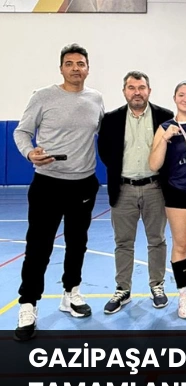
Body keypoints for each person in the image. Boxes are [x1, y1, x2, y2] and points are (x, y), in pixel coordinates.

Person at [13, 43, 104, 341]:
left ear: (87, 68)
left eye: (81, 63)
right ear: (61, 68)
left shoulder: (96, 99)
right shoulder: (42, 96)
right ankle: (28, 304)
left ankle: (71, 293)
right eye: (70, 63)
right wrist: (29, 153)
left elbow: (102, 135)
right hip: (48, 184)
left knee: (77, 243)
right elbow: (22, 132)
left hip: (84, 183)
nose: (75, 68)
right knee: (38, 247)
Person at [98, 71, 172, 314]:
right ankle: (123, 289)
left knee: (157, 240)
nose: (137, 92)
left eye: (141, 88)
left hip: (155, 188)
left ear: (149, 91)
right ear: (124, 92)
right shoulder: (111, 119)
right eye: (131, 88)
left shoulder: (165, 116)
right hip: (123, 188)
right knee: (123, 242)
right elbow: (104, 152)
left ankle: (157, 285)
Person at [149, 81, 186, 319]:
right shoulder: (165, 127)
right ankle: (184, 295)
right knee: (181, 245)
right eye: (181, 95)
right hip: (178, 191)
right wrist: (165, 139)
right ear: (174, 98)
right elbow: (154, 164)